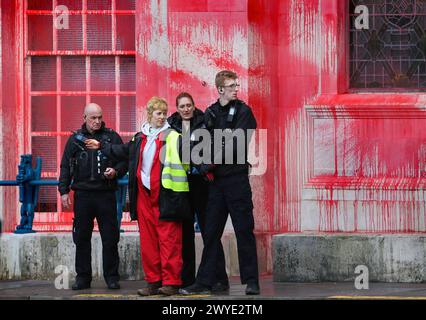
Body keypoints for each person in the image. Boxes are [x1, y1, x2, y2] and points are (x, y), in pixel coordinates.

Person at [85, 96, 190, 296]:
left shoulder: (173, 136)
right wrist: (101, 147)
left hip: (167, 195)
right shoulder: (140, 137)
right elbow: (122, 152)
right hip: (144, 195)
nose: (161, 117)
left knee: (169, 240)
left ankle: (171, 282)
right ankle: (154, 281)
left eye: (164, 113)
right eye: (158, 113)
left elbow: (189, 159)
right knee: (149, 242)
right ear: (149, 115)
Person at [180, 70, 260, 295]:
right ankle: (204, 281)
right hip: (216, 184)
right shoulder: (211, 113)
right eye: (232, 85)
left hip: (236, 180)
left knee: (244, 230)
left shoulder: (244, 112)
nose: (236, 88)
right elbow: (197, 142)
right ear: (221, 89)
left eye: (237, 85)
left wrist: (210, 160)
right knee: (211, 232)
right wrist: (204, 163)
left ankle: (251, 281)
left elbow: (237, 143)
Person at [58, 103, 127, 290]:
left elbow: (124, 160)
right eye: (93, 118)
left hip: (106, 195)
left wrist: (116, 171)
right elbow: (65, 166)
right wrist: (63, 191)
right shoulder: (75, 140)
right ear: (84, 118)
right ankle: (83, 278)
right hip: (82, 196)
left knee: (110, 238)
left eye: (99, 117)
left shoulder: (111, 137)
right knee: (81, 238)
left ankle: (112, 277)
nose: (97, 121)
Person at [167, 92, 228, 291]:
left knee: (209, 231)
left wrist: (205, 166)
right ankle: (187, 279)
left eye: (188, 105)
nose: (185, 109)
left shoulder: (204, 123)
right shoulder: (171, 126)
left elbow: (215, 148)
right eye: (182, 106)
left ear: (194, 106)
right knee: (185, 234)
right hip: (181, 185)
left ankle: (219, 278)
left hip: (201, 182)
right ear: (177, 108)